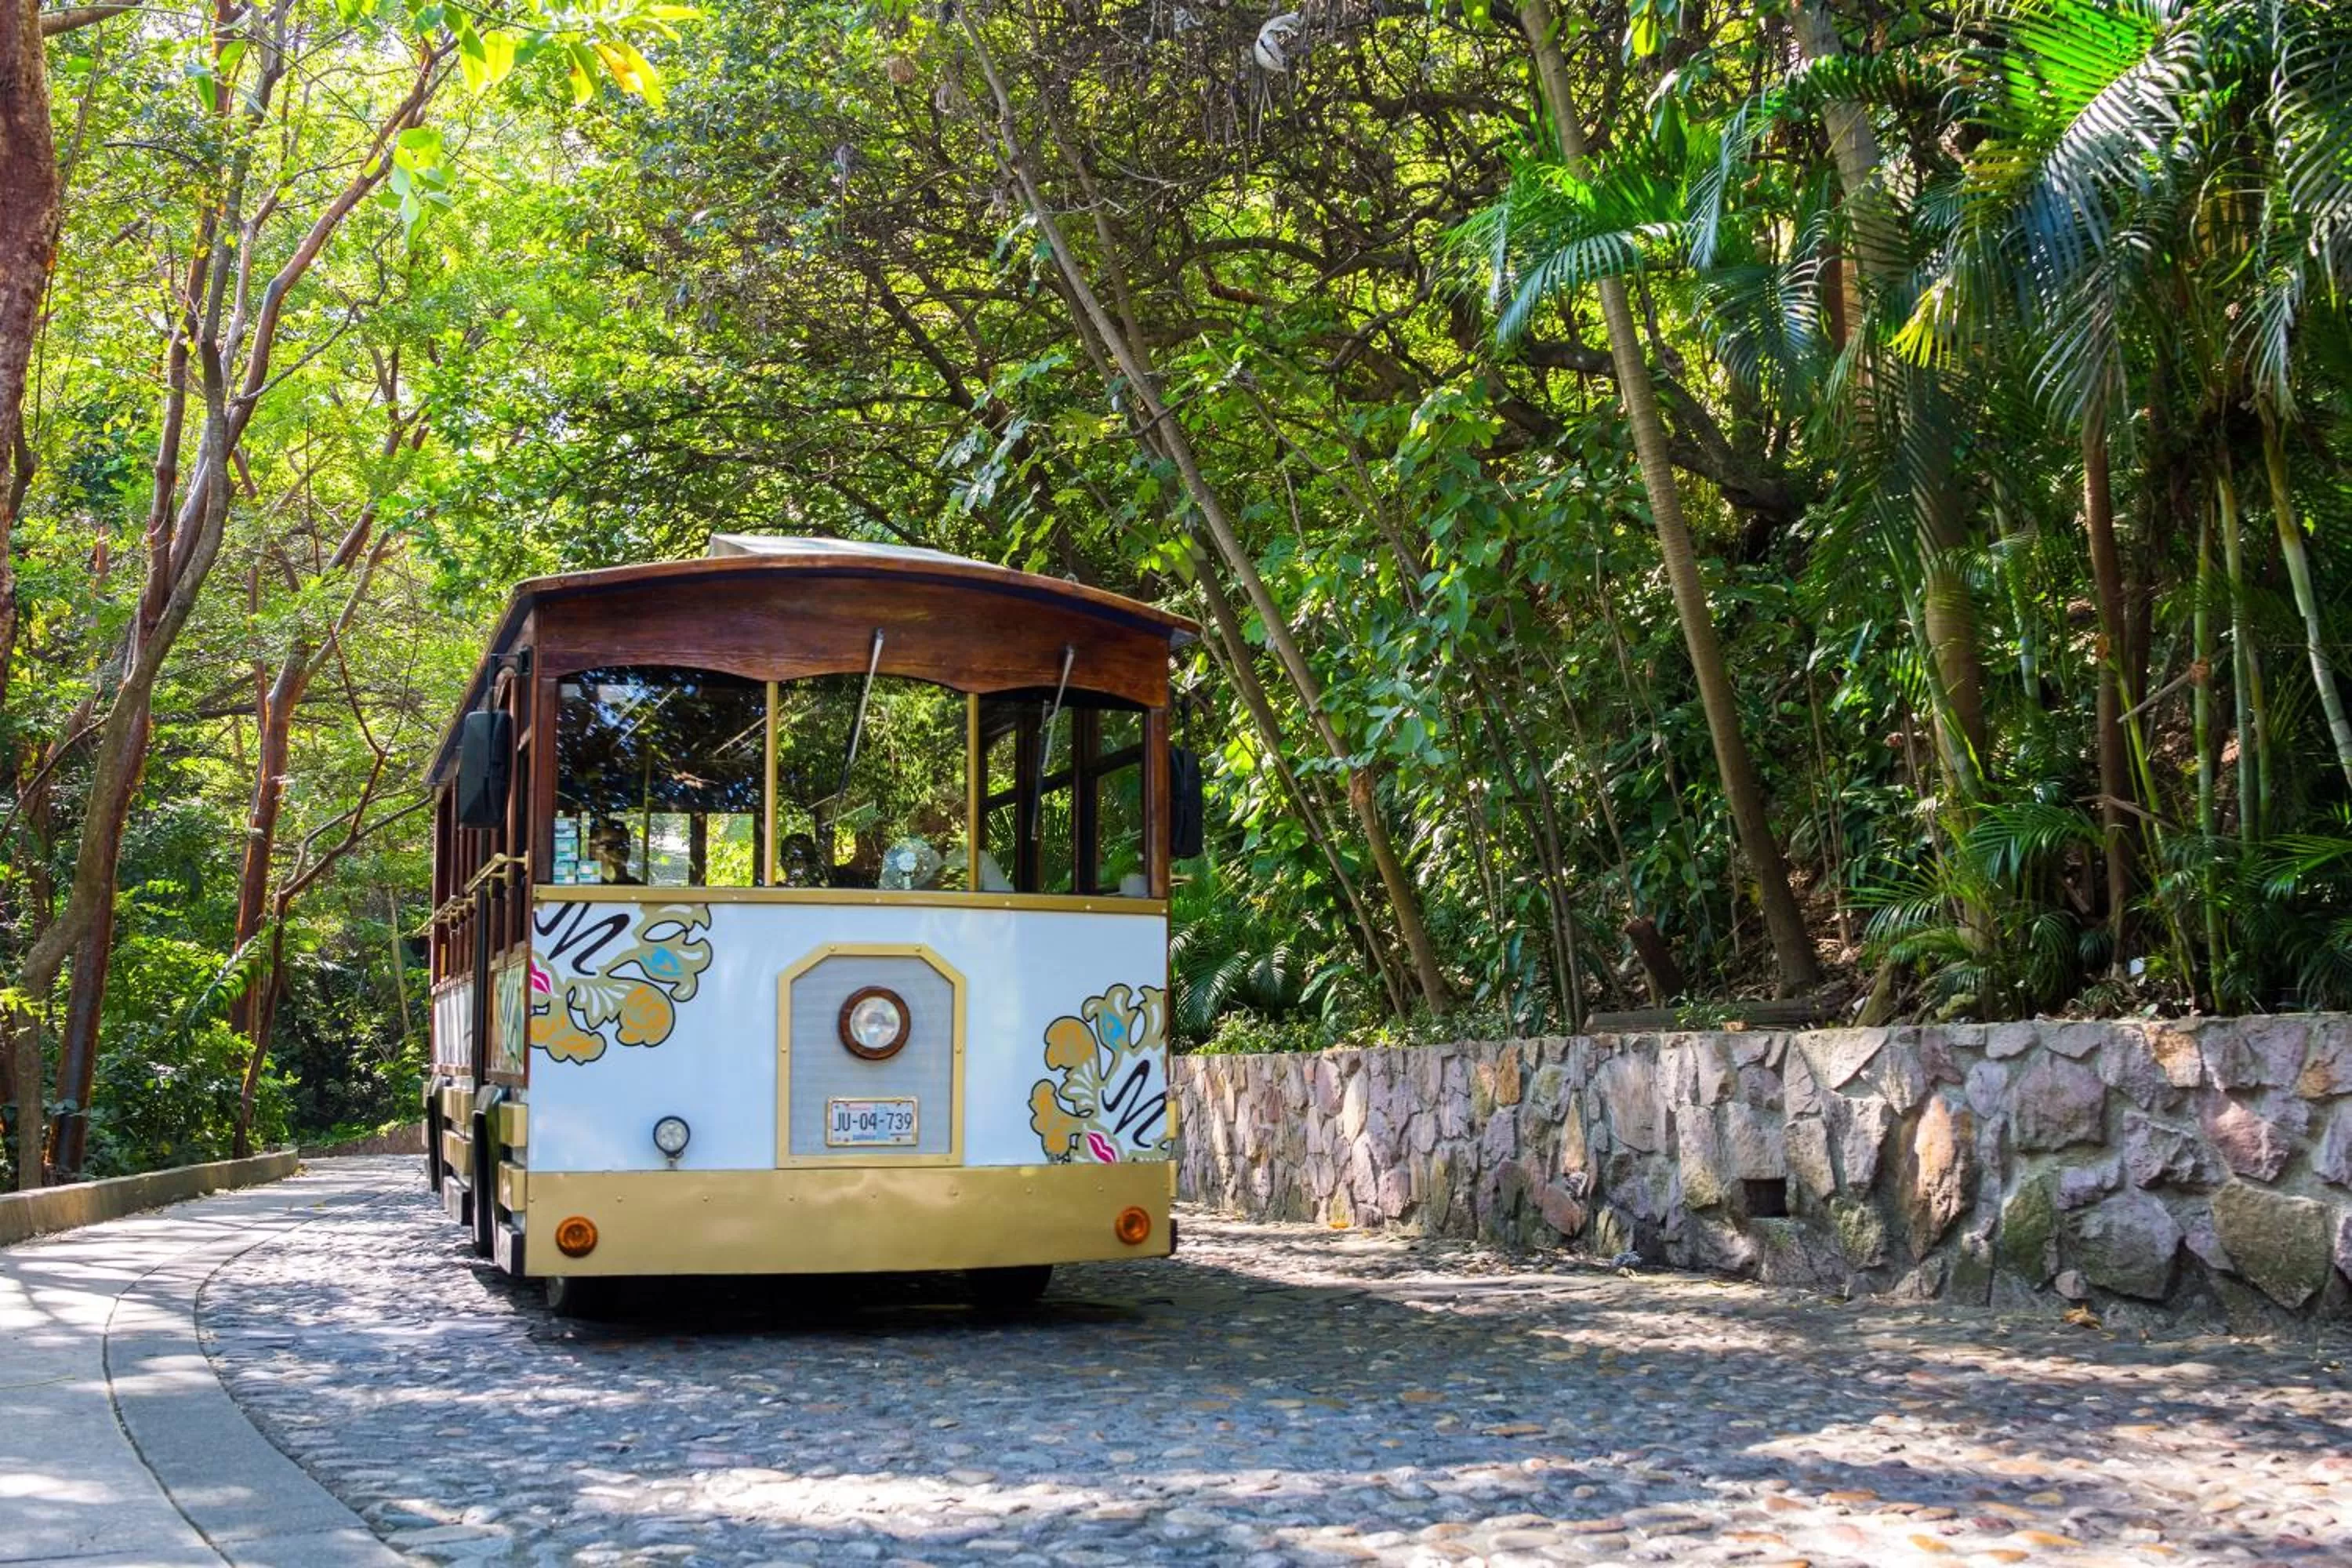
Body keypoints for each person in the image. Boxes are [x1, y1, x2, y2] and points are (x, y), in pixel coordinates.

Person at [590, 819, 641, 884]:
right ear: (593, 851)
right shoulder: (582, 887)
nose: (617, 850)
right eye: (610, 845)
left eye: (624, 845)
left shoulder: (641, 890)